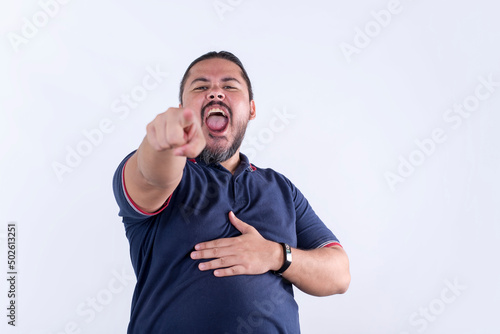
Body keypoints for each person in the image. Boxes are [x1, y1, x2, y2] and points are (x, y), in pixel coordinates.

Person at [112, 51, 350, 333]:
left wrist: (275, 255)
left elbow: (339, 274)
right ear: (182, 107)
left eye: (229, 86)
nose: (215, 93)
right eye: (201, 87)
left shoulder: (281, 189)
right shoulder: (170, 171)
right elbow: (153, 175)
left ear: (251, 109)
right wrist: (165, 142)